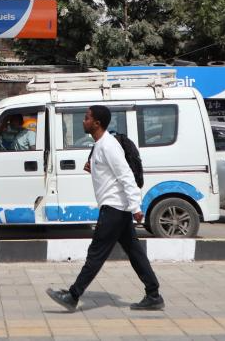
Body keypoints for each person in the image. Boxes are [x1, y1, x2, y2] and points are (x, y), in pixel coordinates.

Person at [46, 105, 164, 312]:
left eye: (86, 118)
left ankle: (73, 295)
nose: (83, 121)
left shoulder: (108, 146)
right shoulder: (100, 145)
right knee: (135, 252)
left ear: (97, 123)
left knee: (96, 253)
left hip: (114, 209)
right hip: (117, 208)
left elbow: (126, 175)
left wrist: (135, 207)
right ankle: (153, 294)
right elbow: (109, 174)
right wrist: (93, 168)